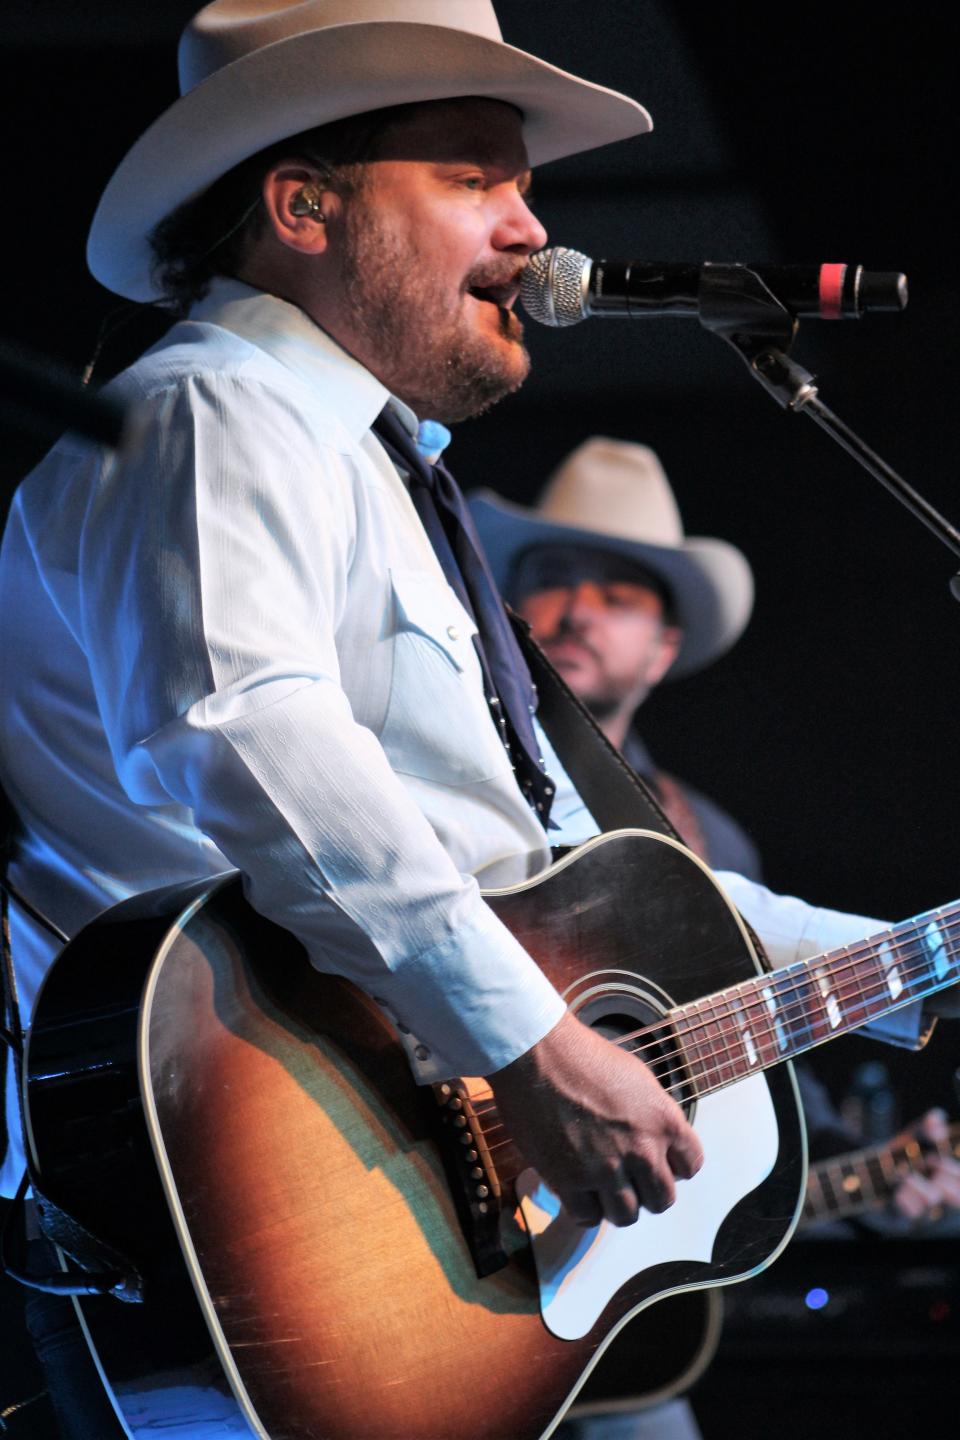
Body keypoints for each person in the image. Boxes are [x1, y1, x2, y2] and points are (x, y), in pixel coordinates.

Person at [0, 3, 955, 1436]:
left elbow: (578, 874)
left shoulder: (381, 474)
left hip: (400, 1207)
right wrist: (529, 1046)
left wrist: (905, 969)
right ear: (302, 206)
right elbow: (246, 735)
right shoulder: (219, 404)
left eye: (528, 187)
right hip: (249, 1188)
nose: (531, 231)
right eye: (475, 178)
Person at [471, 436, 960, 1439]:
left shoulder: (707, 837)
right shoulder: (457, 757)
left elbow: (770, 1074)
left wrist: (878, 1178)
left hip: (607, 1283)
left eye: (618, 590)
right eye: (552, 578)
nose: (578, 608)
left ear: (663, 647)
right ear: (510, 613)